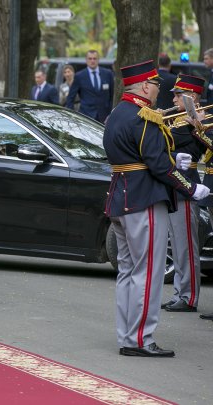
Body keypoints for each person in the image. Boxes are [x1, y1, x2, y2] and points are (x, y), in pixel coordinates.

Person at [103, 60, 209, 358]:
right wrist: (189, 187)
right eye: (156, 85)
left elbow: (134, 154)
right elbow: (157, 164)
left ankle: (127, 335)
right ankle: (140, 339)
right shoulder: (145, 117)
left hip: (121, 197)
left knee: (128, 271)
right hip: (144, 199)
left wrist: (174, 161)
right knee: (147, 272)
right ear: (146, 86)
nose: (158, 91)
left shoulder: (116, 114)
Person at [160, 74, 208, 313]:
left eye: (179, 95)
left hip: (188, 185)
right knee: (177, 245)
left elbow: (178, 140)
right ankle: (180, 292)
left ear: (193, 97)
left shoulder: (203, 119)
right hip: (173, 185)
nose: (174, 98)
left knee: (187, 245)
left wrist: (192, 122)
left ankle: (189, 296)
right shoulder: (179, 120)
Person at [66, 50, 114, 122]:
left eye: (94, 58)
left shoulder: (107, 74)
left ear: (98, 60)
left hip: (104, 117)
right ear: (86, 60)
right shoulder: (79, 76)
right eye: (90, 58)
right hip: (86, 117)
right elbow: (70, 98)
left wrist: (109, 114)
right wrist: (73, 116)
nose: (92, 61)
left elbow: (111, 96)